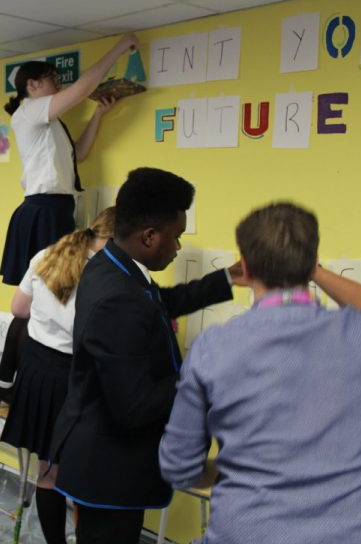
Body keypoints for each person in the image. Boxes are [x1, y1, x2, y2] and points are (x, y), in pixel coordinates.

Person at [50, 167, 243, 544]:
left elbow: (158, 304)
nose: (178, 247)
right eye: (177, 237)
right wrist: (203, 368)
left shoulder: (114, 268)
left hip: (101, 454)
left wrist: (228, 279)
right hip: (109, 469)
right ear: (150, 236)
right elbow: (134, 407)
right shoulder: (118, 296)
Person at [159, 203, 361, 544]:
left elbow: (178, 468)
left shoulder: (214, 348)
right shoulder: (360, 334)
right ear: (312, 260)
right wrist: (311, 269)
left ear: (246, 265)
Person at [0, 208, 114, 544]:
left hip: (37, 371)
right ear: (113, 238)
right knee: (84, 472)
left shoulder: (45, 255)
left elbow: (18, 310)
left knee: (47, 475)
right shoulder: (105, 272)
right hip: (73, 377)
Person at [0, 32, 138, 287]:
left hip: (56, 208)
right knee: (48, 287)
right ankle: (31, 328)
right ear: (32, 85)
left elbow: (79, 153)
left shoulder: (50, 124)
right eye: (52, 79)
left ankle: (38, 326)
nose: (59, 85)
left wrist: (98, 114)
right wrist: (119, 48)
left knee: (55, 287)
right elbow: (82, 89)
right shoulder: (30, 110)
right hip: (43, 210)